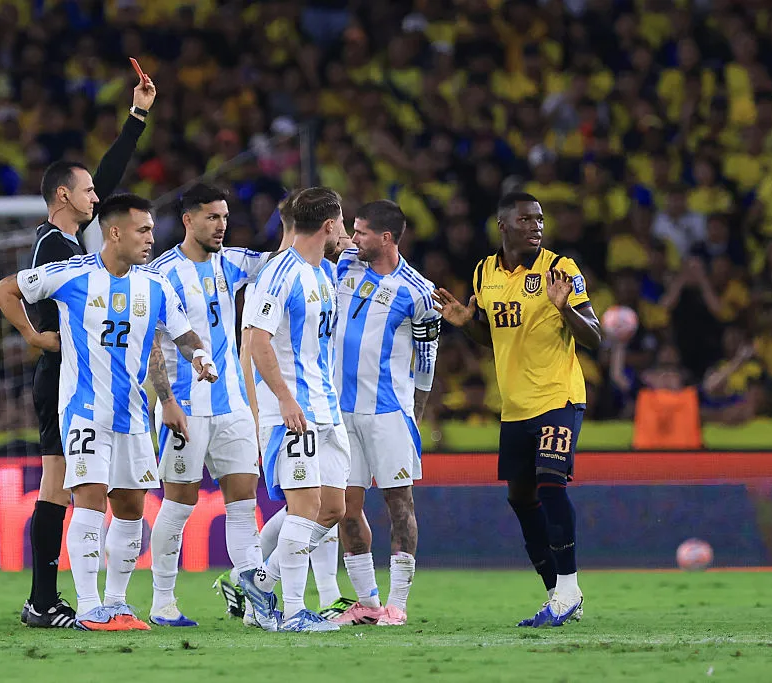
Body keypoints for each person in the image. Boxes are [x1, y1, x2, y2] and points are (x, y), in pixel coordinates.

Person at [0, 194, 218, 631]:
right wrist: (33, 336)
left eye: (152, 230)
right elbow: (6, 288)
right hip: (84, 411)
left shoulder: (154, 285)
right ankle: (88, 606)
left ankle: (117, 603)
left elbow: (182, 332)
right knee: (90, 501)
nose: (151, 239)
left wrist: (200, 358)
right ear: (114, 232)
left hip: (133, 414)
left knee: (131, 505)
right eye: (143, 230)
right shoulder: (71, 274)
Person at [21, 69, 155, 628]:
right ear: (63, 197)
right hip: (66, 376)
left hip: (79, 374)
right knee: (61, 483)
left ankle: (45, 597)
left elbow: (107, 176)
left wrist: (137, 118)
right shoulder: (55, 244)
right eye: (89, 194)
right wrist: (36, 335)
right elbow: (21, 293)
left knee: (63, 482)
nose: (98, 198)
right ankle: (43, 598)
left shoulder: (69, 241)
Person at [432, 191, 601, 628]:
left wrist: (566, 310)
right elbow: (492, 338)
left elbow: (595, 337)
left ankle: (569, 588)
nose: (537, 226)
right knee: (520, 497)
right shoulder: (484, 272)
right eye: (526, 219)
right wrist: (468, 324)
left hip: (559, 397)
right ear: (503, 225)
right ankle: (558, 594)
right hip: (514, 406)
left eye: (540, 219)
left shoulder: (560, 270)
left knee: (551, 484)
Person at [215, 191, 356, 623]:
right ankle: (294, 611)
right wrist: (283, 398)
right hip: (293, 410)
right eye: (342, 224)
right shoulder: (279, 272)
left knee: (332, 509)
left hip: (326, 409)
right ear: (328, 225)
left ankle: (259, 582)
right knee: (304, 507)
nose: (345, 234)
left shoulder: (324, 274)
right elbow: (256, 340)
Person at [144, 183, 270, 627]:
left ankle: (256, 601)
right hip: (186, 407)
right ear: (188, 220)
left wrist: (318, 234)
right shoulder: (161, 275)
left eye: (224, 216)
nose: (221, 225)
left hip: (233, 403)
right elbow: (154, 347)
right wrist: (167, 402)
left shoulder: (232, 262)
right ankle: (163, 602)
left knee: (242, 503)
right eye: (212, 217)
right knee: (178, 503)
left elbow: (281, 265)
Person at [332, 200, 440, 627]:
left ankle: (397, 603)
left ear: (387, 238)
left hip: (388, 411)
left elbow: (427, 360)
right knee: (345, 505)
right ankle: (368, 602)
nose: (351, 238)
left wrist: (414, 412)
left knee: (399, 504)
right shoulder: (345, 266)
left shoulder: (419, 291)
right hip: (341, 411)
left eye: (360, 233)